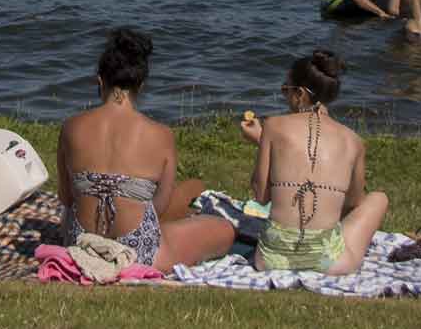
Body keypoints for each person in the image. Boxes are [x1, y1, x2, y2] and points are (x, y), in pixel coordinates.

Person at [57, 29, 236, 272]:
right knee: (224, 230)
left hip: (81, 246)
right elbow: (159, 208)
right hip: (139, 253)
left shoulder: (71, 127)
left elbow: (66, 198)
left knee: (191, 187)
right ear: (140, 85)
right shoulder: (161, 134)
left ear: (100, 81)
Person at [240, 50, 388, 274]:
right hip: (330, 264)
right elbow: (354, 203)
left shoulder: (272, 125)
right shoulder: (353, 140)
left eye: (285, 90)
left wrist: (263, 142)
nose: (284, 95)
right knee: (378, 198)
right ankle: (319, 244)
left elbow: (261, 196)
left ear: (300, 94)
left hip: (270, 260)